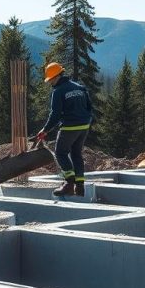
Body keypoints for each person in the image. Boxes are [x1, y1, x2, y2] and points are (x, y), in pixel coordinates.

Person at [35, 62, 94, 197]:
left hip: (70, 126)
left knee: (61, 153)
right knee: (76, 154)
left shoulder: (58, 91)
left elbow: (55, 114)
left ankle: (69, 184)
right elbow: (89, 107)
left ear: (56, 76)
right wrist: (86, 121)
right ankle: (80, 187)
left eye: (51, 80)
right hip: (84, 126)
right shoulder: (80, 88)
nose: (50, 83)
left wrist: (45, 130)